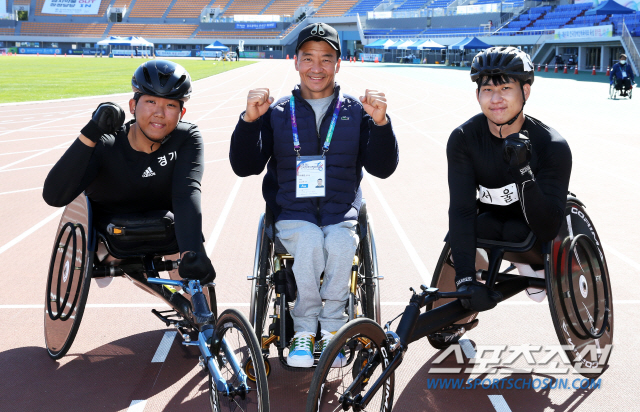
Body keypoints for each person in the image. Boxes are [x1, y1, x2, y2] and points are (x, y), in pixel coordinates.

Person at [229, 22, 399, 368]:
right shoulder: (276, 112)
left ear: (339, 63)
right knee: (307, 241)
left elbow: (383, 168)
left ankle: (334, 327)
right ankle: (304, 329)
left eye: (326, 59)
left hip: (340, 211)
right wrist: (249, 121)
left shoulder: (357, 111)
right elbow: (244, 166)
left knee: (339, 244)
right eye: (308, 58)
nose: (316, 68)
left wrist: (381, 124)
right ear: (296, 62)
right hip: (292, 212)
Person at [43, 59, 215, 287]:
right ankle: (116, 258)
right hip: (111, 234)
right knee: (123, 248)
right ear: (132, 107)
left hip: (162, 228)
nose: (160, 113)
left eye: (170, 105)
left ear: (182, 112)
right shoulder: (106, 143)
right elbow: (54, 196)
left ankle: (201, 320)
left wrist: (192, 253)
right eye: (151, 101)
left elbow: (187, 194)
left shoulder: (187, 138)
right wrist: (92, 130)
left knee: (192, 266)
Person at [447, 46, 572, 312]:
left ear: (525, 92)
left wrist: (523, 170)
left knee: (516, 230)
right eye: (488, 90)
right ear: (477, 95)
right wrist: (465, 280)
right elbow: (461, 209)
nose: (496, 99)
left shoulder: (552, 145)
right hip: (490, 220)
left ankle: (532, 265)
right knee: (469, 231)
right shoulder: (463, 139)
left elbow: (549, 226)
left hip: (536, 227)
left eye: (505, 88)